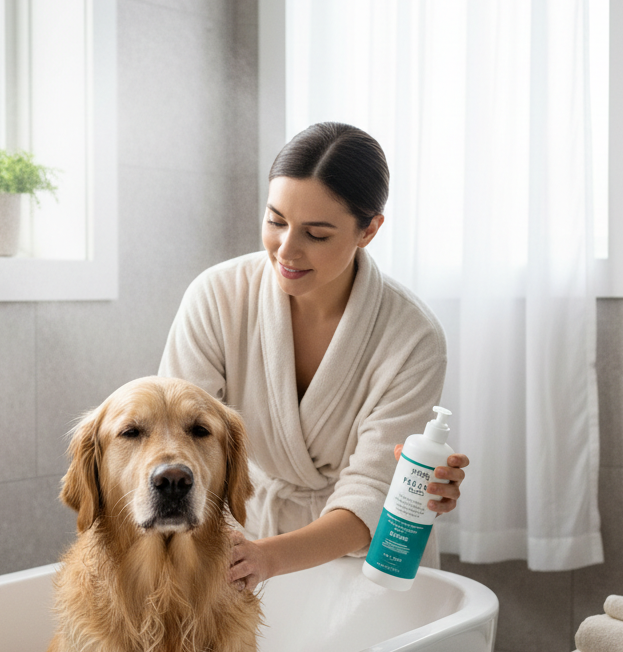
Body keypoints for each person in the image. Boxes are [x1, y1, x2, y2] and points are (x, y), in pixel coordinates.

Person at [158, 122, 468, 590]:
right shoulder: (217, 297)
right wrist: (240, 550)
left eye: (317, 234)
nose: (286, 249)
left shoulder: (413, 338)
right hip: (241, 538)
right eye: (276, 220)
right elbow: (176, 438)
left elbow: (370, 492)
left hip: (369, 557)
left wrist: (267, 558)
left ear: (369, 229)